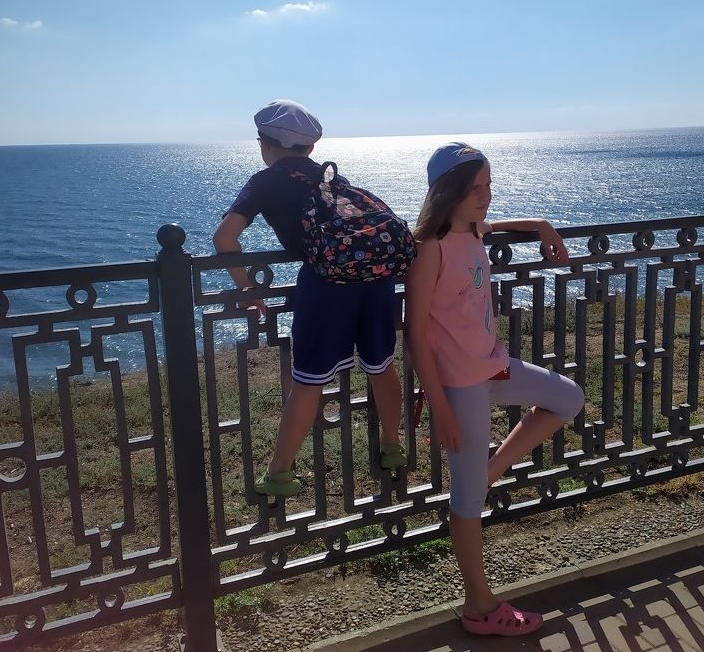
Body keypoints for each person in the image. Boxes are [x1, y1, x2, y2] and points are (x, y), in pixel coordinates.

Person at [403, 141, 585, 636]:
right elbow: (414, 334)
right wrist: (440, 409)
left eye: (488, 186)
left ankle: (490, 471)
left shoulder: (472, 229)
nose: (485, 196)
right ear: (448, 193)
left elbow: (493, 224)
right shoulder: (429, 247)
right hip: (459, 387)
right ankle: (480, 608)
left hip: (493, 366)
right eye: (474, 189)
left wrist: (541, 225)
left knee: (568, 397)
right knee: (467, 502)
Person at [213, 99, 407, 498]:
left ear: (265, 144)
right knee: (382, 365)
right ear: (312, 147)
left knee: (308, 381)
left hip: (326, 287)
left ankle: (279, 473)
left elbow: (225, 238)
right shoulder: (330, 176)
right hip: (375, 281)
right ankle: (392, 446)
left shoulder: (264, 182)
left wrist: (247, 289)